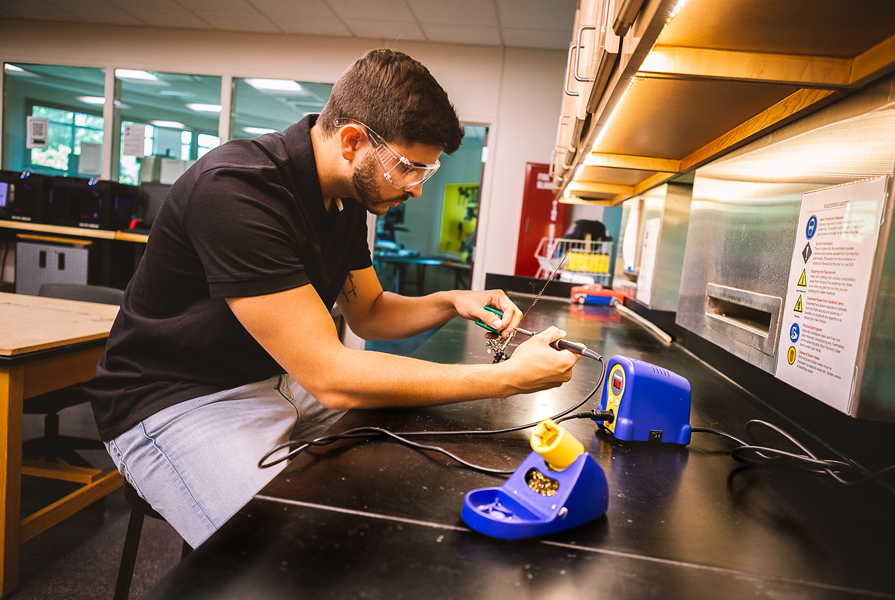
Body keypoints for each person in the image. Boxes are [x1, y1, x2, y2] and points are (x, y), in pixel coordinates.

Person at [85, 48, 579, 548]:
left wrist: (453, 300)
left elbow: (369, 312)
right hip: (176, 404)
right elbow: (330, 376)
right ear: (352, 140)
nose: (416, 189)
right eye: (410, 168)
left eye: (424, 172)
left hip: (278, 381)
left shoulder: (343, 202)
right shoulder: (236, 190)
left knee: (419, 459)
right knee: (282, 553)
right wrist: (504, 379)